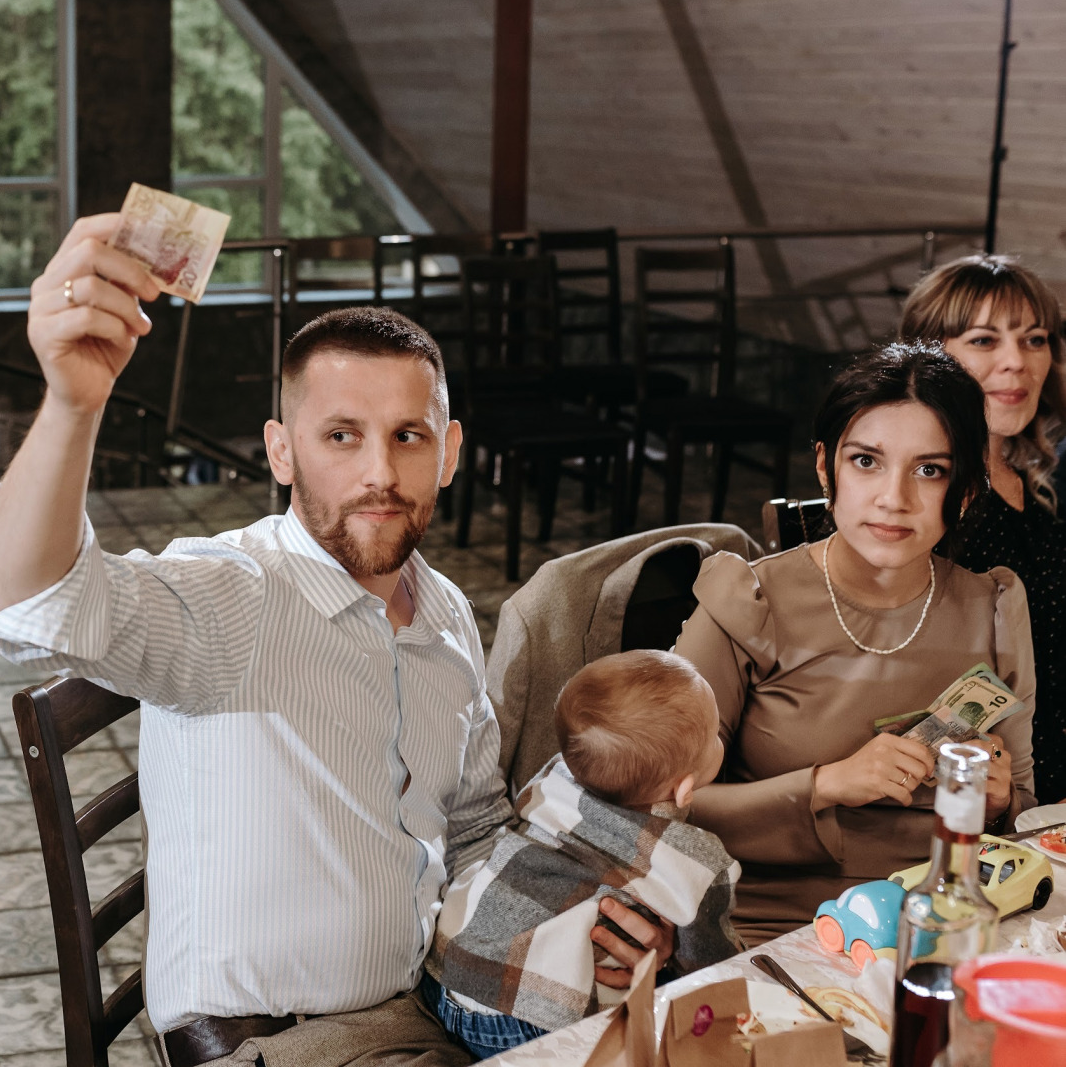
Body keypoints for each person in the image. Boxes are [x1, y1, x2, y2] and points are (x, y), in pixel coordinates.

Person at [0, 216, 672, 1067]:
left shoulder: (442, 617)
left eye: (408, 436)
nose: (379, 475)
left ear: (449, 453)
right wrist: (72, 405)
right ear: (281, 453)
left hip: (433, 1001)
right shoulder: (236, 597)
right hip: (280, 1041)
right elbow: (40, 603)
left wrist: (566, 918)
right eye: (340, 436)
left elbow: (471, 826)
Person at [675, 342, 1036, 946]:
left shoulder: (994, 607)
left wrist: (999, 802)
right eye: (867, 461)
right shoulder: (748, 600)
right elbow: (665, 805)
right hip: (778, 931)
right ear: (825, 468)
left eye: (930, 470)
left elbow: (1023, 808)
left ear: (968, 488)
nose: (894, 497)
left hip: (948, 924)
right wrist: (826, 785)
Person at [424, 651, 740, 1061]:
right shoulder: (696, 860)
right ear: (684, 790)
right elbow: (712, 967)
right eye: (715, 733)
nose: (719, 738)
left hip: (450, 970)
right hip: (528, 1018)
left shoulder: (554, 777)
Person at [899, 254, 1066, 801]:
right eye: (984, 340)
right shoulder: (920, 498)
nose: (1017, 362)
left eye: (1035, 339)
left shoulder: (1033, 478)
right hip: (987, 780)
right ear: (930, 359)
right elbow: (902, 681)